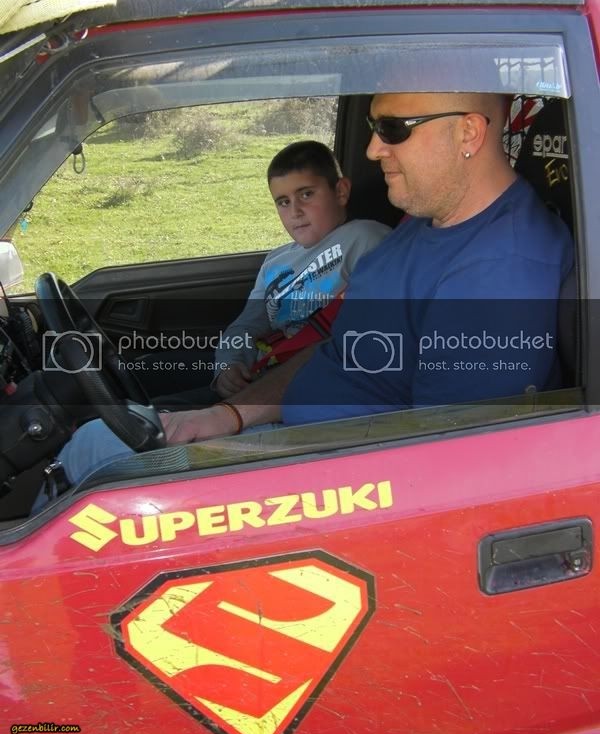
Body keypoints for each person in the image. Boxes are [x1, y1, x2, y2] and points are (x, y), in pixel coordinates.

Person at [58, 91, 573, 482]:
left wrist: (242, 456)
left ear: (468, 133)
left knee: (97, 453)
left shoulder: (500, 272)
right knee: (101, 437)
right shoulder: (426, 220)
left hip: (324, 471)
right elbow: (343, 347)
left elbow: (442, 470)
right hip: (293, 432)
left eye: (393, 129)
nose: (373, 149)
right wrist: (229, 415)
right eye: (373, 127)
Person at [211, 139, 391, 399]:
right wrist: (228, 365)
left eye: (306, 194)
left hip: (310, 383)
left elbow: (371, 329)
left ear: (340, 192)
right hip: (260, 376)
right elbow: (246, 326)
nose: (295, 211)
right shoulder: (275, 261)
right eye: (283, 202)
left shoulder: (366, 238)